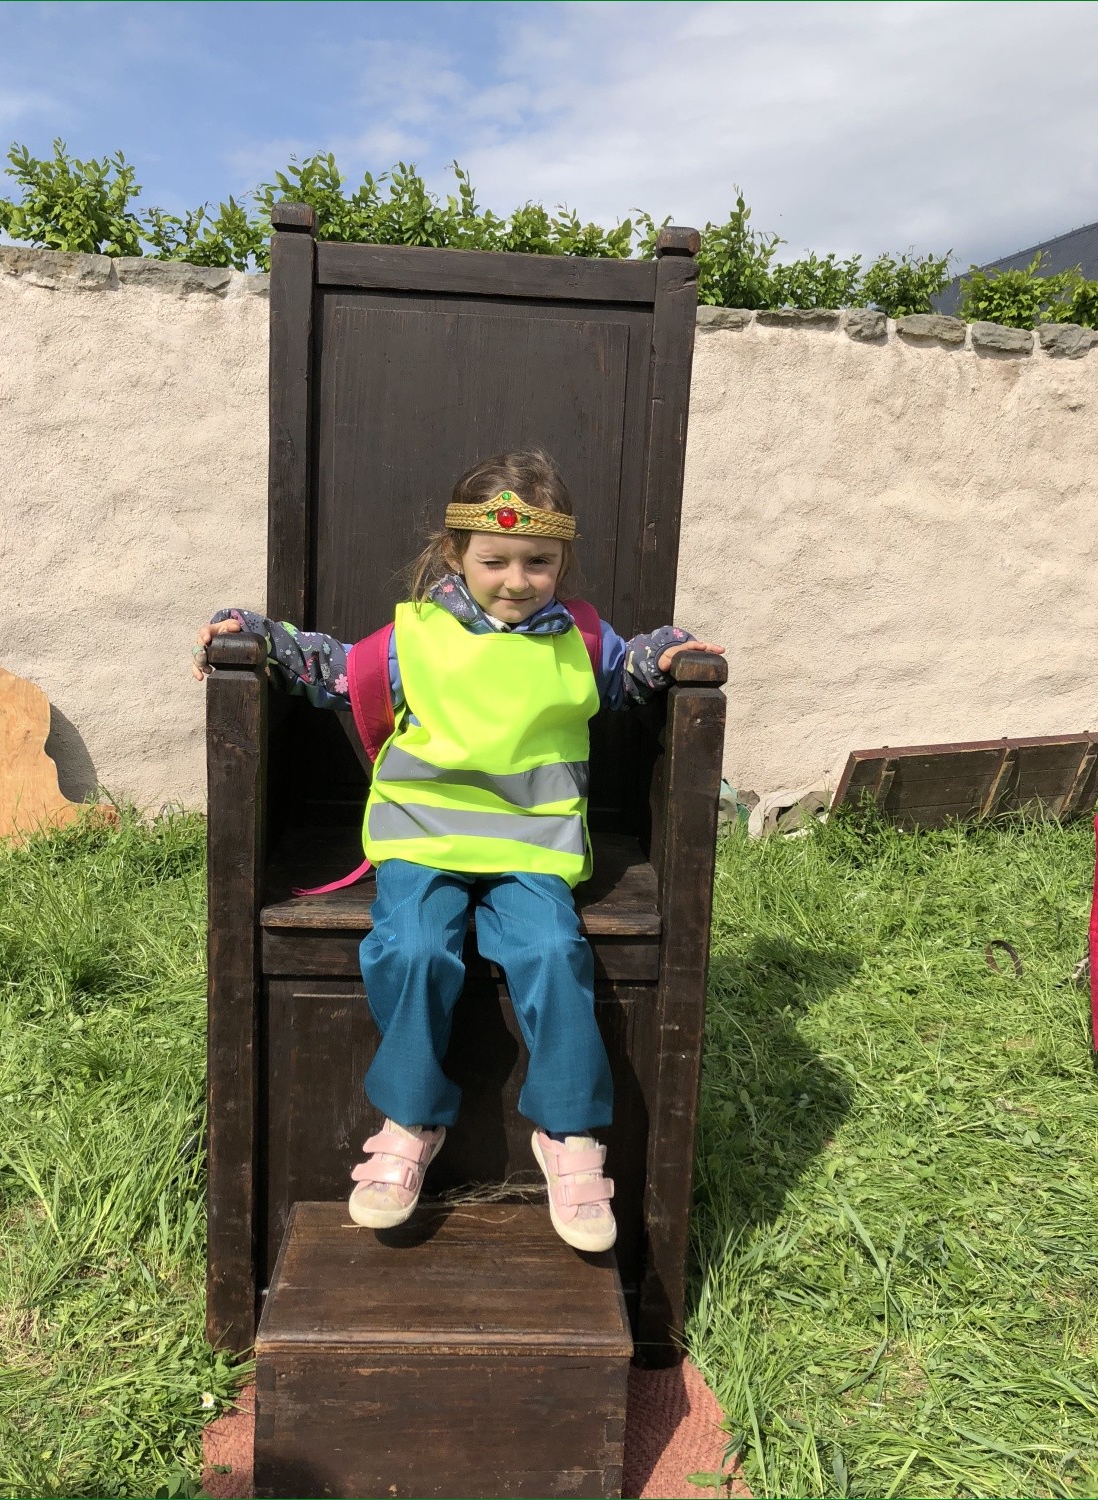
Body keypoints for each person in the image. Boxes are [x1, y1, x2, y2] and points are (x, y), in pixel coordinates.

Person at [193, 449, 724, 1253]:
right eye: (495, 561)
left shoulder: (582, 640)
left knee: (552, 950)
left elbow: (634, 669)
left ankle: (568, 1133)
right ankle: (410, 1119)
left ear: (562, 561)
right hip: (422, 836)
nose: (517, 579)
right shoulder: (414, 637)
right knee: (411, 947)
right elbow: (329, 669)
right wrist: (254, 635)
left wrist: (672, 653)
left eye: (538, 562)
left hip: (531, 848)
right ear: (455, 555)